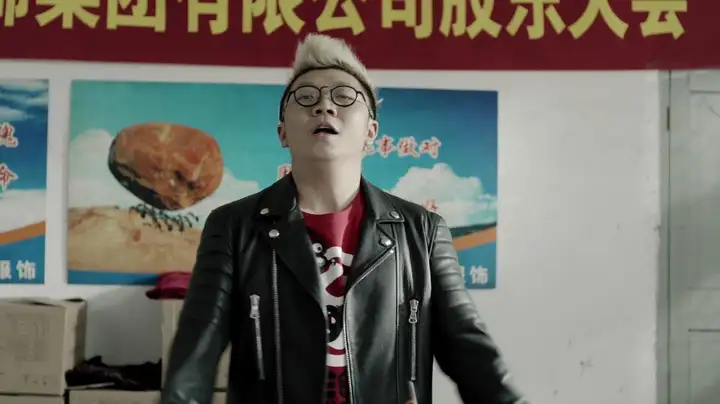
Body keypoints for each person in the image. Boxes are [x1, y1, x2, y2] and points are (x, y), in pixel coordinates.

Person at [161, 33, 526, 404]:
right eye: (306, 97)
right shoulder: (234, 226)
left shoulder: (423, 231)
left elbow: (470, 350)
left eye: (344, 96)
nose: (324, 106)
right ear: (282, 132)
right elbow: (193, 358)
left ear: (371, 132)